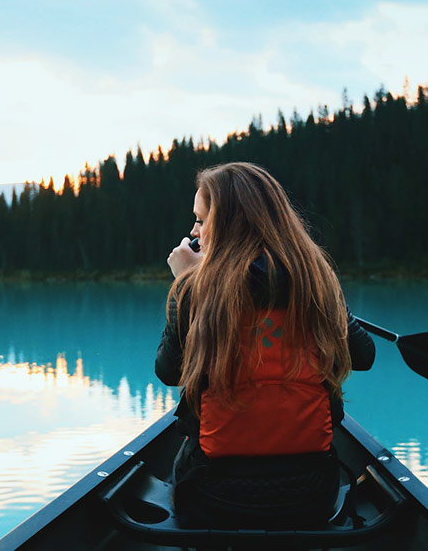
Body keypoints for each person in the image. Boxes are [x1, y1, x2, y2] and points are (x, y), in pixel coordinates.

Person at [155, 162, 375, 529]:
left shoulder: (198, 288)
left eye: (201, 220)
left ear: (227, 224)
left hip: (214, 494)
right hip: (311, 494)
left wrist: (187, 284)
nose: (194, 233)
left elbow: (169, 372)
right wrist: (332, 300)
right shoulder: (315, 278)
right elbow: (363, 355)